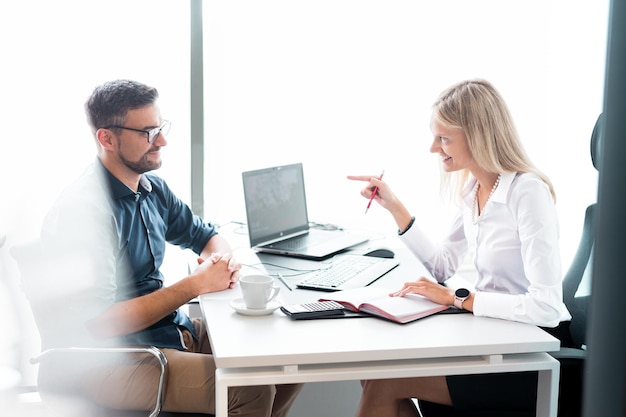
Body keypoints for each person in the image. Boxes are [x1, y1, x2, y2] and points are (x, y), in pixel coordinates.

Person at [37, 79, 302, 416]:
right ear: (107, 138)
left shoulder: (152, 189)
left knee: (284, 360)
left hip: (168, 331)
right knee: (248, 388)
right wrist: (196, 284)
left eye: (160, 127)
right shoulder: (85, 212)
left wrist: (221, 262)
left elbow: (205, 236)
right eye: (148, 133)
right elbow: (101, 322)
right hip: (108, 359)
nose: (162, 140)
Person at [348, 79, 572, 416]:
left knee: (385, 383)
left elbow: (547, 307)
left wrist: (458, 299)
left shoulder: (527, 193)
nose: (433, 149)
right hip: (493, 337)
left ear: (478, 136)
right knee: (374, 374)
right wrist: (394, 206)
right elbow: (441, 267)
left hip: (532, 352)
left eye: (444, 139)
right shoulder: (473, 190)